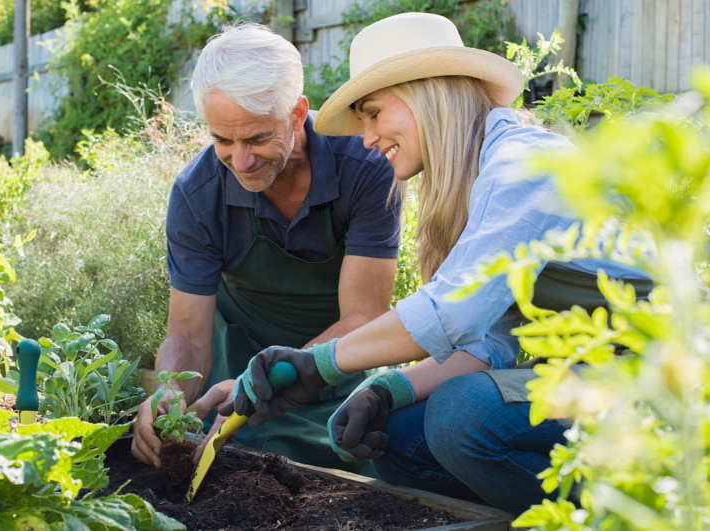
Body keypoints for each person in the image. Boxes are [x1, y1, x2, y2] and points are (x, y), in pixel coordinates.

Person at [223, 12, 653, 514]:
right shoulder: (479, 179)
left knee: (461, 413)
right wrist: (390, 389)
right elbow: (494, 343)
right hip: (590, 384)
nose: (366, 137)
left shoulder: (525, 166)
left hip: (660, 384)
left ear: (429, 94)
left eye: (375, 113)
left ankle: (642, 516)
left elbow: (453, 312)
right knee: (397, 435)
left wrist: (321, 363)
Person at [130, 22, 401, 472]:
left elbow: (363, 316)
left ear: (297, 113)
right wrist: (170, 392)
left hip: (337, 361)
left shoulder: (364, 167)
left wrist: (273, 381)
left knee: (360, 466)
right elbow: (187, 335)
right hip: (235, 362)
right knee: (234, 465)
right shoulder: (198, 194)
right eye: (222, 140)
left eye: (256, 138)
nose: (241, 160)